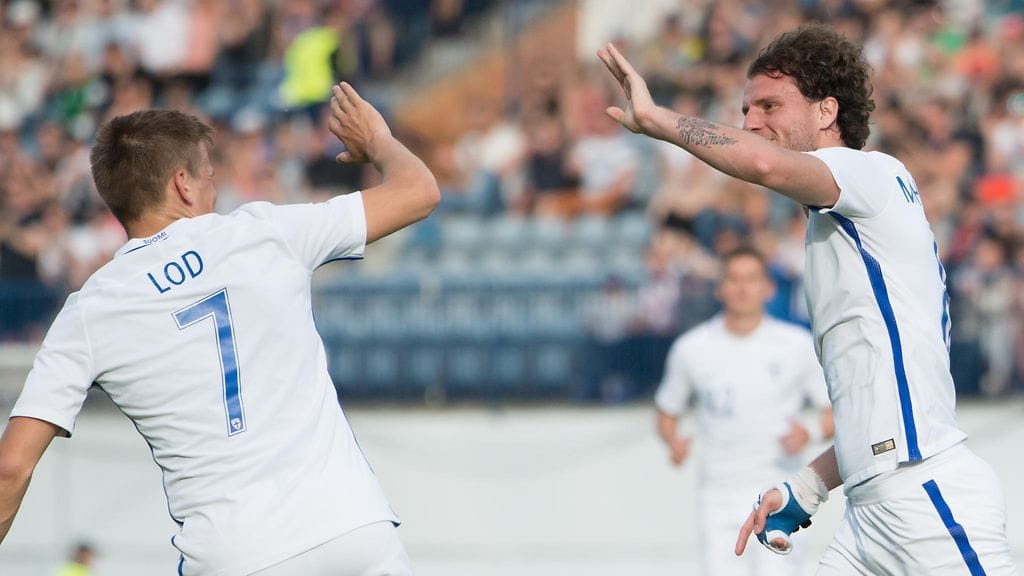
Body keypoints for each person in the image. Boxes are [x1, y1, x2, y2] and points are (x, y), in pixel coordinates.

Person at [599, 23, 1017, 575]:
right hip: (869, 517)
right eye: (746, 109)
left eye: (770, 105)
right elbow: (872, 419)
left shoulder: (871, 173)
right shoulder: (832, 231)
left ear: (826, 111)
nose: (751, 123)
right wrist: (806, 490)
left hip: (927, 500)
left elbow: (766, 164)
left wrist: (658, 120)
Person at [0, 82, 439, 575]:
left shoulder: (89, 312)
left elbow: (12, 468)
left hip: (237, 555)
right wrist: (376, 139)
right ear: (183, 184)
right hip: (351, 528)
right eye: (209, 177)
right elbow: (419, 192)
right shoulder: (263, 233)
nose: (215, 190)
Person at [655, 246, 833, 576]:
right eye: (733, 279)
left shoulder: (795, 344)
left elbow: (834, 412)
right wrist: (673, 441)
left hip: (778, 489)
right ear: (720, 287)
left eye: (751, 279)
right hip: (719, 493)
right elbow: (667, 412)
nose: (742, 288)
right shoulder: (692, 349)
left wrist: (809, 431)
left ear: (768, 288)